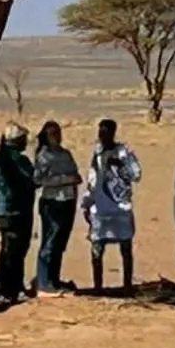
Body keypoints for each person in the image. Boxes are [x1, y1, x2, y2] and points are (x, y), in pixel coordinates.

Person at [82, 117, 141, 295]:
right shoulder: (97, 154)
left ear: (113, 133)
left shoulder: (124, 152)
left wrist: (120, 167)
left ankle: (127, 285)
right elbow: (92, 180)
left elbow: (136, 174)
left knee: (125, 248)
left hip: (121, 208)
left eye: (105, 132)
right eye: (100, 132)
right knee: (97, 248)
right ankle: (98, 286)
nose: (101, 136)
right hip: (100, 209)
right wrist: (87, 202)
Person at [0, 122, 36, 310]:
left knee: (8, 250)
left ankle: (8, 287)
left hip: (3, 210)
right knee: (14, 251)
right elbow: (31, 181)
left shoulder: (0, 157)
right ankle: (6, 289)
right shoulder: (18, 160)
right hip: (17, 210)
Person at [31, 120, 82, 295]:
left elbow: (77, 175)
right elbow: (38, 180)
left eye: (59, 133)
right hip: (52, 202)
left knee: (60, 243)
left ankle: (54, 279)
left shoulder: (65, 154)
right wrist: (63, 179)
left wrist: (71, 179)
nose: (57, 137)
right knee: (50, 242)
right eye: (53, 134)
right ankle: (43, 283)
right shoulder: (44, 156)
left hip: (68, 200)